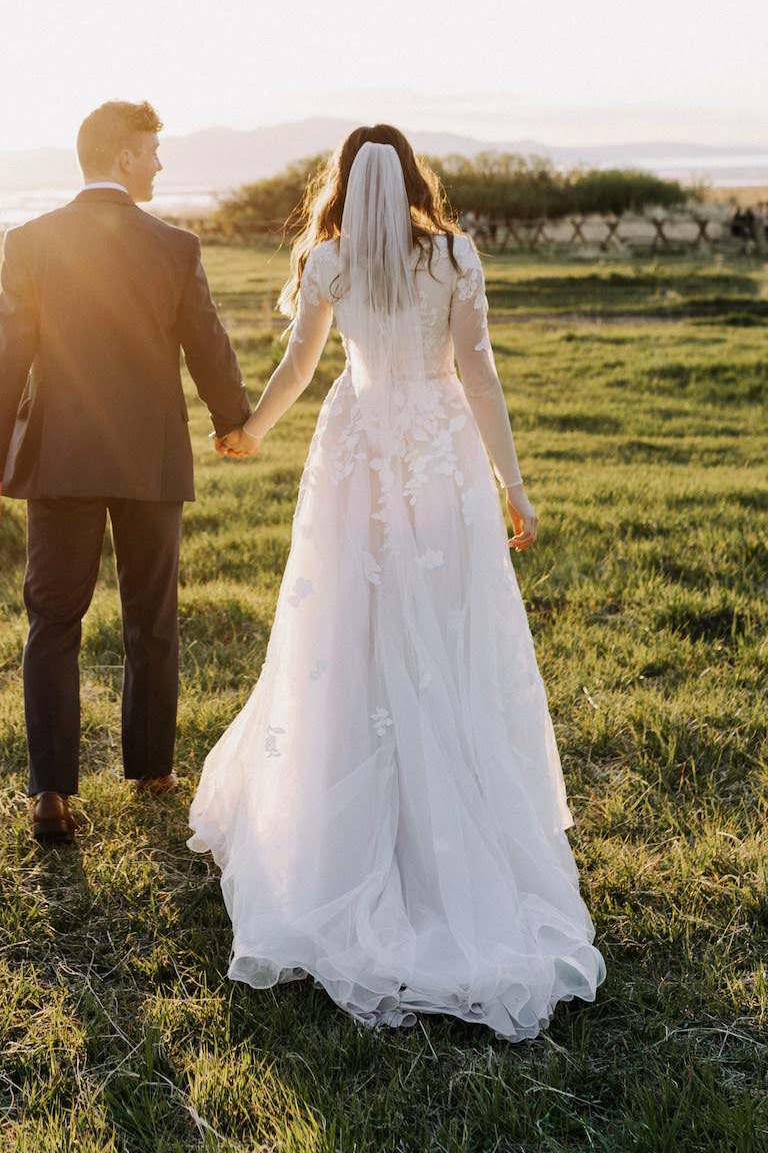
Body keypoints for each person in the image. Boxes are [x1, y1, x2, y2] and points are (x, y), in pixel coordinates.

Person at [186, 125, 607, 1042]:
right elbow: (479, 375)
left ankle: (353, 827)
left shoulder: (331, 260)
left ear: (344, 182)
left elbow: (302, 366)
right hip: (440, 458)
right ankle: (453, 827)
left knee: (354, 623)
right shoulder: (454, 255)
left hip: (361, 448)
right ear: (415, 176)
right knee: (448, 626)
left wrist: (253, 430)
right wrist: (514, 486)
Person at [0, 100, 253, 842]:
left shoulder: (29, 241)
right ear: (125, 156)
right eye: (154, 150)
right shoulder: (174, 246)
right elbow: (207, 344)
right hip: (149, 458)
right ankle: (153, 767)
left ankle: (51, 795)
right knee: (149, 618)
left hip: (56, 459)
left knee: (53, 621)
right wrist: (232, 423)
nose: (160, 164)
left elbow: (9, 362)